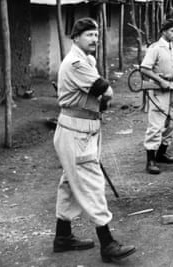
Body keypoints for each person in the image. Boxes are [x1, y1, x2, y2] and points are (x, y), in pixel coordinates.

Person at [53, 18, 136, 262]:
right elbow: (105, 90)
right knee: (92, 183)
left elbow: (102, 95)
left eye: (96, 35)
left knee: (70, 183)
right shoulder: (76, 62)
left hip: (83, 129)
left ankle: (63, 237)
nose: (95, 39)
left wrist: (103, 97)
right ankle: (107, 243)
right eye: (89, 35)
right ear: (75, 38)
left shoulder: (87, 60)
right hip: (76, 131)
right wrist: (105, 95)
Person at [140, 19, 173, 175]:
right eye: (172, 31)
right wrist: (160, 81)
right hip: (159, 89)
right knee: (157, 124)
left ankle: (161, 153)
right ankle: (151, 160)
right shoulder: (155, 48)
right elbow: (144, 69)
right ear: (164, 31)